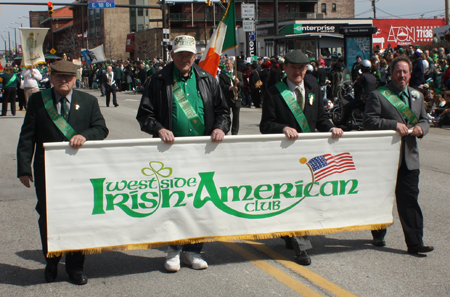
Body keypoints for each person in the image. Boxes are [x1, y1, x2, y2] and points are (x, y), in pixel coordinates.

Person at [136, 35, 230, 272]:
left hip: (202, 153)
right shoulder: (157, 81)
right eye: (180, 54)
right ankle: (174, 249)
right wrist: (158, 128)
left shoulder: (208, 80)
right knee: (175, 201)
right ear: (172, 55)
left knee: (200, 201)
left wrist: (220, 127)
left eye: (188, 55)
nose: (184, 59)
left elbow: (223, 111)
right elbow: (144, 116)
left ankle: (194, 250)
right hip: (171, 153)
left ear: (195, 56)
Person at [17, 60, 109, 285]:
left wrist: (85, 135)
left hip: (79, 171)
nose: (63, 81)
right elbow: (27, 135)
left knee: (78, 215)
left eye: (68, 77)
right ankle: (51, 261)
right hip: (47, 170)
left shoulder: (88, 101)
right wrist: (23, 168)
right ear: (52, 77)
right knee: (48, 216)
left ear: (75, 78)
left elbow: (101, 128)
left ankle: (76, 268)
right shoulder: (39, 101)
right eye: (59, 77)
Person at [260, 50, 344, 266]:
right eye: (293, 67)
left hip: (308, 155)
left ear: (307, 69)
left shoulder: (313, 87)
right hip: (286, 155)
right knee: (294, 197)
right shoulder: (274, 93)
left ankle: (293, 236)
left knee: (303, 198)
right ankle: (302, 247)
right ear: (285, 68)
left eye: (302, 68)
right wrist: (283, 128)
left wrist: (332, 128)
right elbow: (265, 125)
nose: (298, 72)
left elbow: (321, 118)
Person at [363, 56, 434, 255]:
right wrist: (393, 125)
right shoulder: (378, 95)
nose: (401, 75)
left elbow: (424, 120)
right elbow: (369, 121)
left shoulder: (417, 96)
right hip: (385, 158)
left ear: (410, 74)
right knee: (381, 199)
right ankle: (378, 233)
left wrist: (421, 128)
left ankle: (415, 243)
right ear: (391, 73)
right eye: (398, 71)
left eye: (405, 72)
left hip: (409, 158)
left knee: (410, 200)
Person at [219, 58, 243, 135]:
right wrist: (230, 88)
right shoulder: (223, 74)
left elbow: (242, 85)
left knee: (236, 116)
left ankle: (235, 132)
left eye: (228, 63)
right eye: (226, 64)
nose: (227, 65)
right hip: (227, 97)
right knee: (226, 115)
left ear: (232, 64)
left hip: (236, 97)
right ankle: (226, 130)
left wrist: (238, 83)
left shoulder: (238, 74)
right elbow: (222, 86)